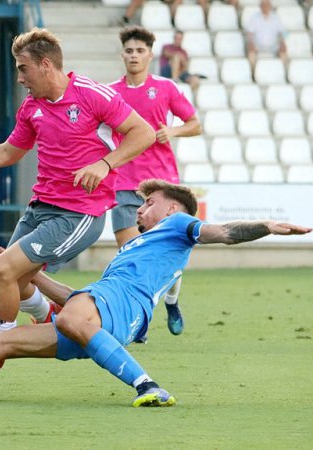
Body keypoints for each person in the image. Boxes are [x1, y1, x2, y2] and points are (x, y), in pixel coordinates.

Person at [0, 179, 313, 407]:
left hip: (117, 309)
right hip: (99, 313)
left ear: (172, 207)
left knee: (71, 316)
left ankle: (148, 385)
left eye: (148, 202)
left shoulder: (178, 223)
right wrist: (29, 273)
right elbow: (75, 296)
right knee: (5, 342)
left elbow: (223, 233)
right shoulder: (135, 247)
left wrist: (266, 226)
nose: (141, 209)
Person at [0, 28, 155, 339]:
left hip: (79, 212)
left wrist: (104, 164)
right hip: (39, 207)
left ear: (45, 65)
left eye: (23, 68)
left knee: (5, 269)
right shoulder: (32, 107)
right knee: (13, 282)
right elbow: (8, 152)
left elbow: (144, 133)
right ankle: (47, 315)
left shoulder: (91, 94)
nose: (20, 78)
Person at [109, 25, 202, 339]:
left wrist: (172, 131)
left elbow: (195, 124)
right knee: (130, 256)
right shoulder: (111, 92)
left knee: (167, 256)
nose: (134, 56)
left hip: (162, 184)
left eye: (140, 50)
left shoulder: (165, 88)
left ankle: (171, 301)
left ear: (150, 55)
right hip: (123, 182)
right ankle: (139, 321)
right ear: (122, 55)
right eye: (129, 51)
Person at [245, 0, 288, 73]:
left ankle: (282, 72)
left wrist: (282, 42)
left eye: (267, 5)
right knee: (251, 53)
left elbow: (283, 32)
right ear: (260, 6)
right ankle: (253, 74)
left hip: (273, 46)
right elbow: (249, 33)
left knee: (283, 52)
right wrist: (250, 42)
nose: (265, 7)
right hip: (258, 46)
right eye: (263, 5)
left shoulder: (276, 18)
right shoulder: (254, 18)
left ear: (270, 6)